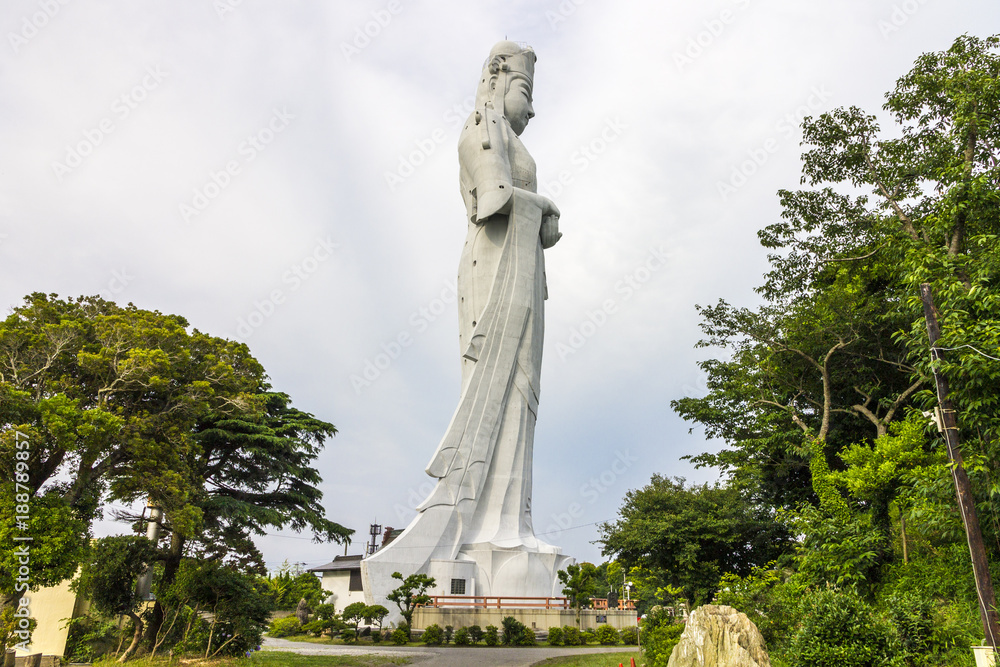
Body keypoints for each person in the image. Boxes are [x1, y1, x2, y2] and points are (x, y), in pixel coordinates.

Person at [363, 41, 570, 605]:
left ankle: (513, 524)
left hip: (521, 271)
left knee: (521, 395)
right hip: (495, 268)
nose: (532, 109)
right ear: (496, 81)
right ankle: (484, 533)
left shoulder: (512, 139)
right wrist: (543, 204)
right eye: (525, 91)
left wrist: (543, 217)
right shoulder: (482, 129)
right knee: (495, 390)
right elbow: (495, 200)